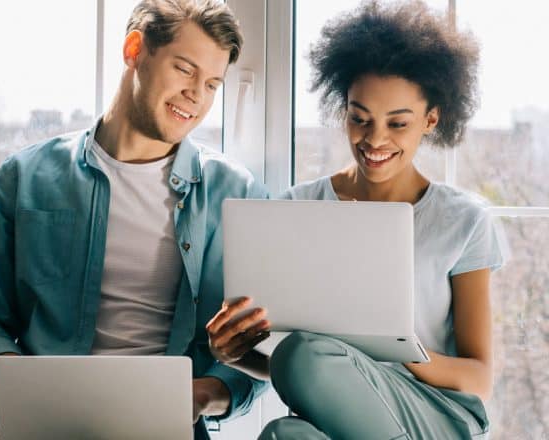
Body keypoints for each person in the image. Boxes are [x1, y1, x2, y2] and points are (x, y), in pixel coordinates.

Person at [0, 1, 269, 438]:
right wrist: (29, 391)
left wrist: (198, 396)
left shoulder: (236, 192)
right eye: (185, 69)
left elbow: (258, 356)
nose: (198, 95)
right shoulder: (26, 176)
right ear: (135, 49)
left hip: (155, 424)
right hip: (31, 412)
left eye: (213, 84)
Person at [206, 1, 508, 438]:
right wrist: (233, 354)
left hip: (435, 414)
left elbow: (478, 378)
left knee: (302, 356)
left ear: (431, 119)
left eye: (398, 124)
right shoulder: (298, 208)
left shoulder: (463, 220)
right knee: (283, 434)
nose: (375, 139)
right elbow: (297, 372)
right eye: (359, 119)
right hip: (338, 411)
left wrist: (392, 347)